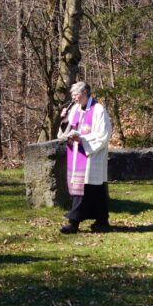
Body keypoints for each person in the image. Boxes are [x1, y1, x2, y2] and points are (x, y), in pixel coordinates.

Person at [58, 81, 113, 234]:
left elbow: (104, 134)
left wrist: (83, 139)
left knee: (85, 188)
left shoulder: (98, 110)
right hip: (76, 153)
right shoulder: (75, 108)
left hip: (92, 154)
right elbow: (68, 129)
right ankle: (102, 220)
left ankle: (73, 223)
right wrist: (64, 121)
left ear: (84, 93)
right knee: (94, 189)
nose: (73, 98)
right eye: (72, 95)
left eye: (76, 94)